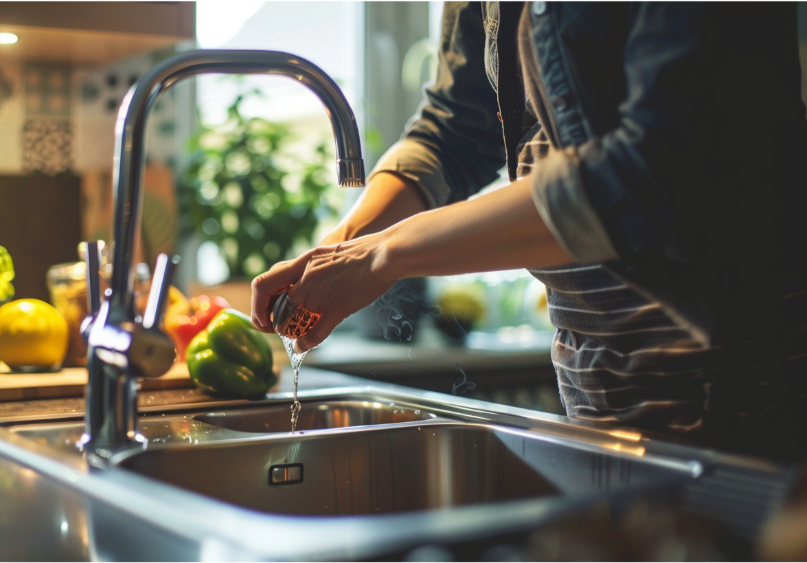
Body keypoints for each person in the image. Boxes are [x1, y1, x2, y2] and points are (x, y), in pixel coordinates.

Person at [251, 1, 807, 459]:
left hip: (737, 368)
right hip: (592, 375)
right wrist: (340, 250)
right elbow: (454, 126)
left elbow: (654, 169)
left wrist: (381, 255)